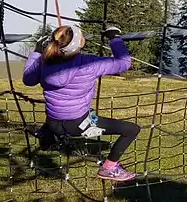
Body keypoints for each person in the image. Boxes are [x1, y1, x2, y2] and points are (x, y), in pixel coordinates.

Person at [23, 25, 140, 182]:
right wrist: (115, 38)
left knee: (62, 109)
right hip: (78, 124)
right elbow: (123, 62)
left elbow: (28, 80)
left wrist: (37, 52)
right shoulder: (88, 64)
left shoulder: (45, 61)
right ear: (78, 44)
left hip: (53, 122)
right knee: (132, 130)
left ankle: (47, 138)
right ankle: (109, 168)